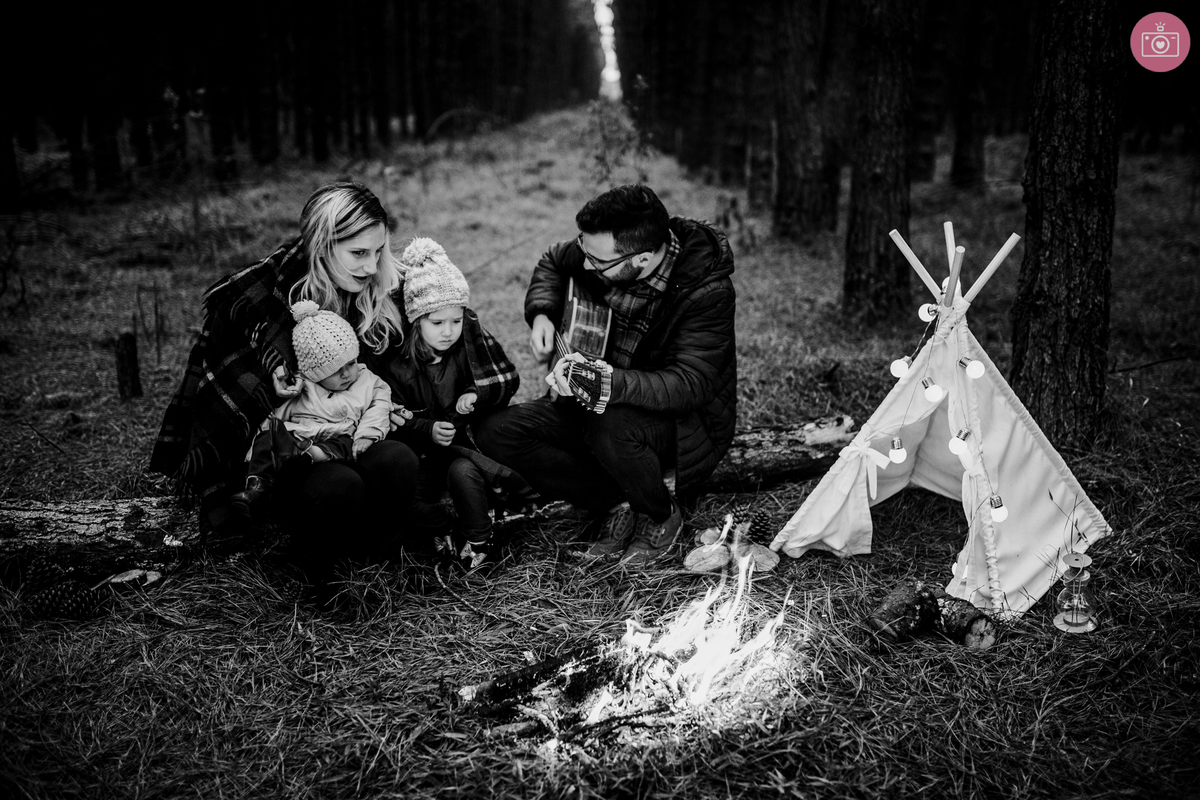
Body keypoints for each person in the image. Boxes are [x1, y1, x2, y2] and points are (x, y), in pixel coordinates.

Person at [150, 182, 421, 583]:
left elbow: (395, 372)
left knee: (398, 460)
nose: (370, 266)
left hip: (359, 428)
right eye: (358, 253)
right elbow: (230, 404)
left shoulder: (379, 288)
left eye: (378, 250)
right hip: (290, 448)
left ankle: (381, 563)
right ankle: (320, 579)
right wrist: (273, 396)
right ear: (322, 246)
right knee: (338, 485)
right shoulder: (261, 298)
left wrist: (390, 406)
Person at [475, 184, 737, 568]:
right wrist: (544, 313)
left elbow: (690, 384)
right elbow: (553, 260)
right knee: (494, 430)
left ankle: (659, 514)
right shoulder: (598, 253)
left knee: (608, 425)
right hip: (597, 396)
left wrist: (607, 383)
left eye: (597, 262)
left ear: (643, 259)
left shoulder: (707, 292)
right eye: (585, 252)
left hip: (678, 421)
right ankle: (613, 502)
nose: (585, 266)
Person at [373, 237, 526, 572]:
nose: (448, 331)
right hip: (423, 451)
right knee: (409, 496)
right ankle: (442, 529)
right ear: (416, 320)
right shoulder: (398, 365)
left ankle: (479, 540)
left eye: (455, 321)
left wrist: (477, 393)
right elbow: (392, 414)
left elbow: (504, 379)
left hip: (463, 443)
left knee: (464, 473)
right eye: (437, 323)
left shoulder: (468, 347)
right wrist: (426, 428)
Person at [229, 300, 393, 520]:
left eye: (351, 363)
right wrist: (256, 451)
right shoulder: (302, 387)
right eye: (335, 371)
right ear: (315, 373)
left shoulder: (369, 382)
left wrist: (367, 435)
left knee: (344, 442)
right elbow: (276, 416)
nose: (346, 374)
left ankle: (305, 459)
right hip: (296, 437)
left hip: (338, 437)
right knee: (269, 436)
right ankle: (256, 489)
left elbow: (380, 408)